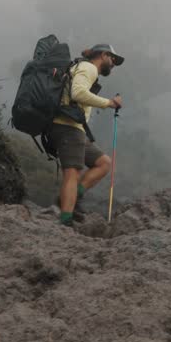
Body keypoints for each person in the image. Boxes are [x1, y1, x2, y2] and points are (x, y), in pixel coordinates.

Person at [49, 43, 124, 226]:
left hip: (75, 129)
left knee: (103, 163)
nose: (113, 64)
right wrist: (109, 103)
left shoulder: (83, 67)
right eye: (112, 59)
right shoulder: (89, 67)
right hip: (67, 127)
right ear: (103, 55)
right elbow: (78, 93)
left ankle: (73, 197)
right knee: (72, 173)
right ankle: (65, 220)